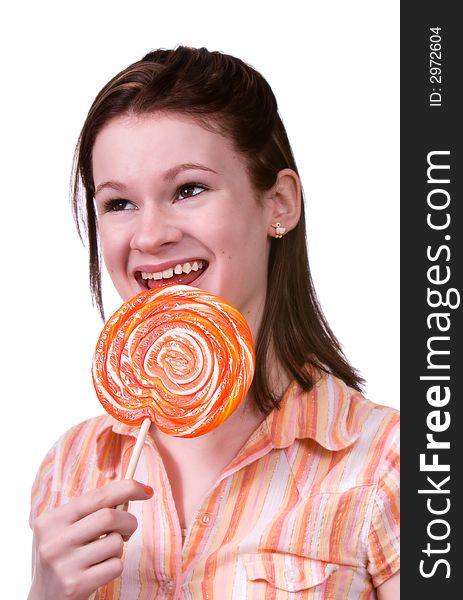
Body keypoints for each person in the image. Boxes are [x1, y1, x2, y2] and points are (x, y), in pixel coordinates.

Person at [29, 46, 400, 599]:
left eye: (189, 190)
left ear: (279, 203)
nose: (149, 236)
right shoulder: (73, 467)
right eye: (118, 203)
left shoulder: (391, 462)